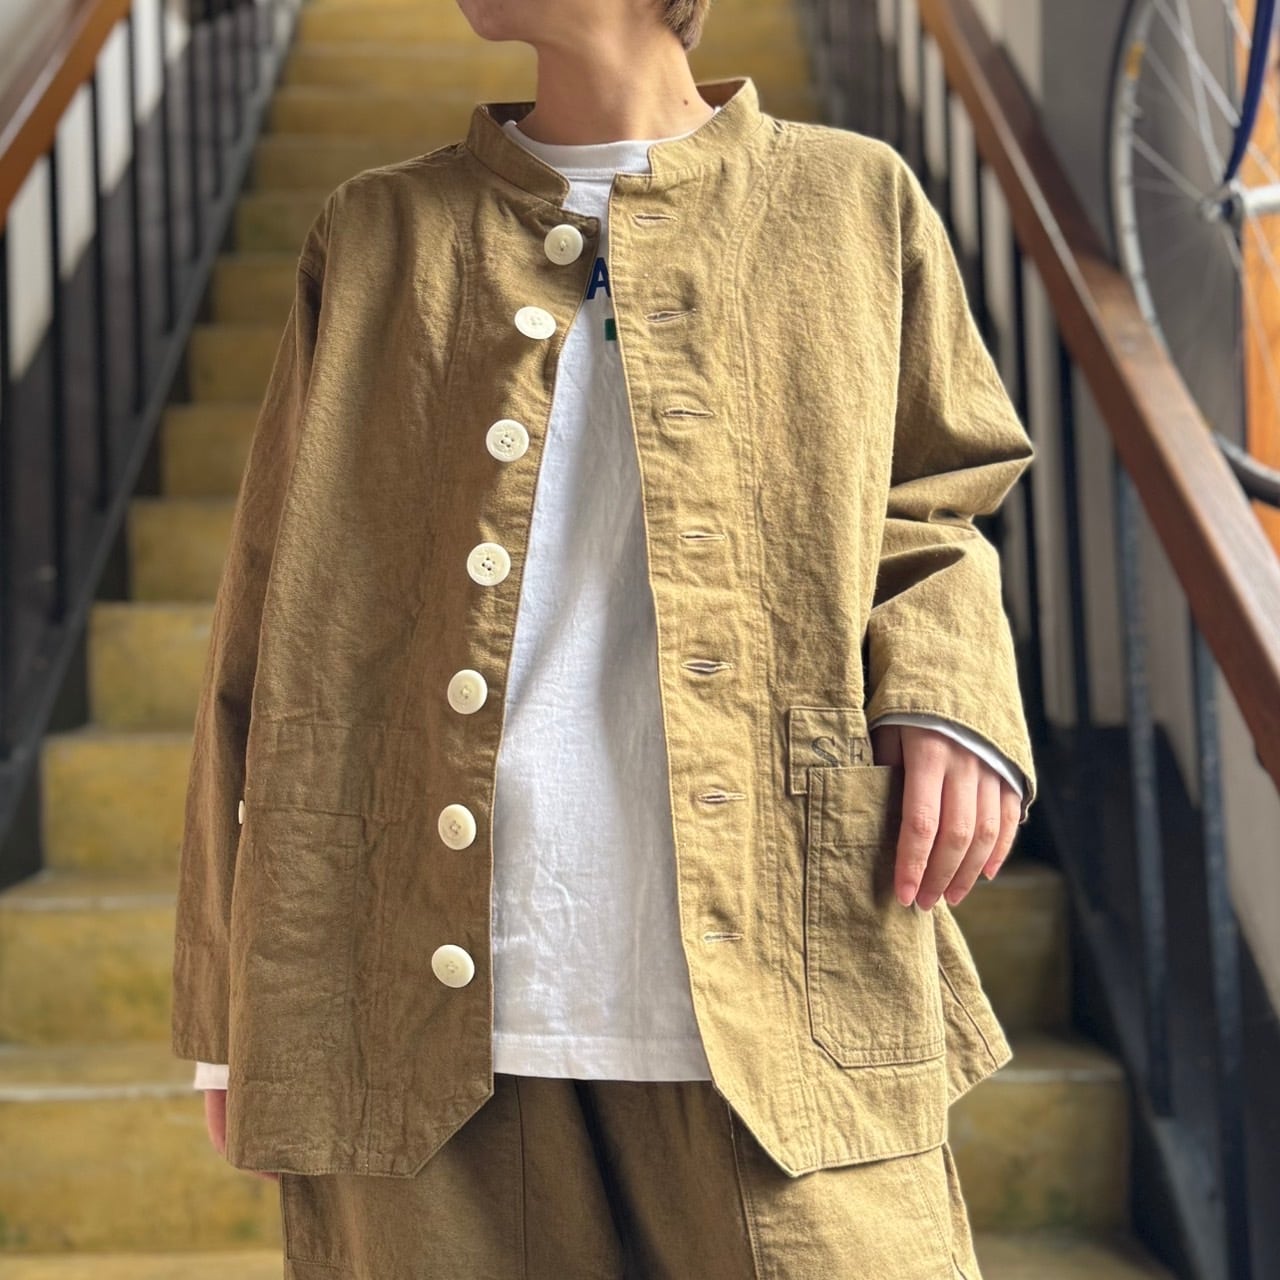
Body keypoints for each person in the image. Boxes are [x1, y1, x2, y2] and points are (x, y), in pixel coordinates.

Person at [174, 0, 1038, 1274]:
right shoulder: (374, 234)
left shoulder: (852, 201)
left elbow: (939, 498)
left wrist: (946, 688)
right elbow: (268, 614)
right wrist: (228, 1006)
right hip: (409, 993)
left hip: (785, 956)